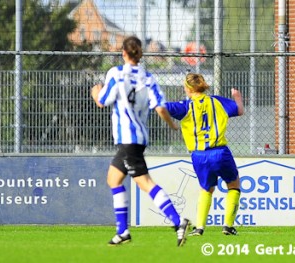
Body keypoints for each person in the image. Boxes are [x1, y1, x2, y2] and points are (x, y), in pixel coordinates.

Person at [90, 36, 190, 246]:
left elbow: (102, 102)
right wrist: (172, 125)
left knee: (145, 182)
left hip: (127, 138)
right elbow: (160, 107)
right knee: (113, 179)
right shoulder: (148, 77)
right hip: (139, 137)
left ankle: (178, 221)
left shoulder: (116, 74)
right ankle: (123, 231)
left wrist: (96, 92)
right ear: (141, 54)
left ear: (124, 53)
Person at [164, 73, 244, 236]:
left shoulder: (185, 106)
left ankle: (199, 227)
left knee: (206, 189)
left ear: (188, 88)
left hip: (199, 155)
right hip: (220, 152)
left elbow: (161, 107)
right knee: (233, 185)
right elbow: (240, 110)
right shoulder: (217, 101)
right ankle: (228, 226)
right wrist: (237, 97)